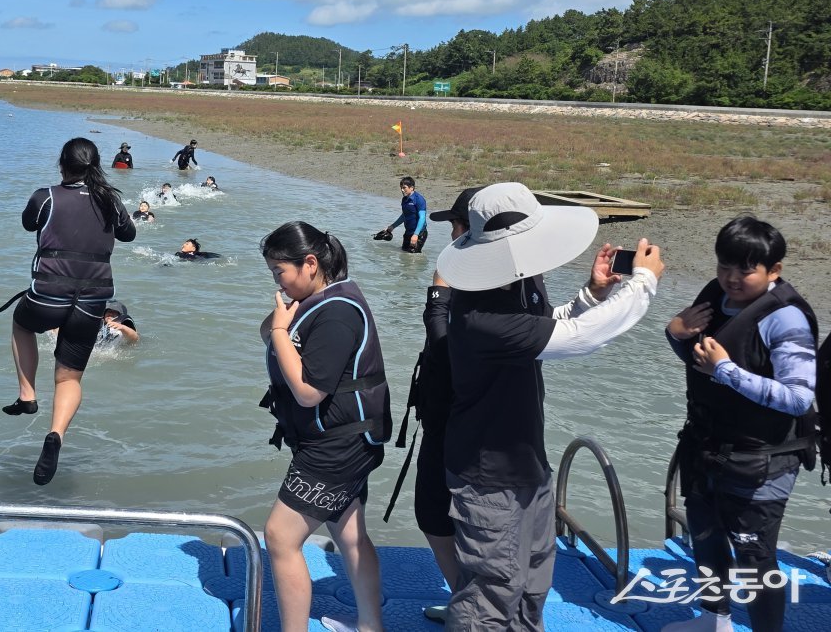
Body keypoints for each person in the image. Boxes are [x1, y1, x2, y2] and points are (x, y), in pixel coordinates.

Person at [435, 181, 664, 631]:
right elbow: (577, 340)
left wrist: (592, 293)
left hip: (527, 464)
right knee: (489, 595)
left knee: (533, 583)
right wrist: (643, 282)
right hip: (486, 478)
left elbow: (544, 328)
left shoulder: (519, 281)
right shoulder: (478, 314)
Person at [662, 217, 817, 632]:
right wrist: (675, 335)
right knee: (706, 537)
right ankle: (715, 620)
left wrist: (726, 371)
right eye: (724, 266)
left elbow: (799, 397)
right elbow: (701, 366)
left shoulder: (785, 320)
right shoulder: (714, 299)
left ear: (774, 271)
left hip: (759, 463)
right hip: (706, 446)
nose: (731, 278)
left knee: (755, 559)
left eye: (745, 270)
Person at [258, 222, 391, 632]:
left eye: (280, 272)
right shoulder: (320, 299)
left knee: (280, 536)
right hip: (342, 440)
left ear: (310, 263)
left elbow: (308, 392)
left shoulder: (337, 314)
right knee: (349, 534)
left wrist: (282, 329)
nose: (277, 282)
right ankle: (371, 626)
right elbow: (267, 334)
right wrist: (280, 322)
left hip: (338, 447)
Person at [0, 138, 136, 485]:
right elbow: (129, 235)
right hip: (91, 302)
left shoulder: (45, 196)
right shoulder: (111, 200)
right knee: (70, 377)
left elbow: (29, 224)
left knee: (21, 324)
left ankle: (27, 395)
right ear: (96, 165)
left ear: (62, 164)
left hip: (47, 295)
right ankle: (56, 435)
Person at [409, 186, 482, 622]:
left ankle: (475, 606)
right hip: (445, 418)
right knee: (435, 512)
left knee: (452, 516)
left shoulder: (486, 284)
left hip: (464, 425)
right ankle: (466, 598)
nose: (450, 235)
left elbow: (444, 345)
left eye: (455, 226)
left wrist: (437, 296)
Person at [377, 176, 428, 253]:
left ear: (412, 188)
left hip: (419, 234)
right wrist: (392, 226)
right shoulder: (404, 199)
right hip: (408, 232)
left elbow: (422, 218)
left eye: (404, 187)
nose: (402, 190)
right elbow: (404, 216)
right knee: (404, 253)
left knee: (413, 256)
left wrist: (416, 235)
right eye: (401, 187)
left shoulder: (419, 200)